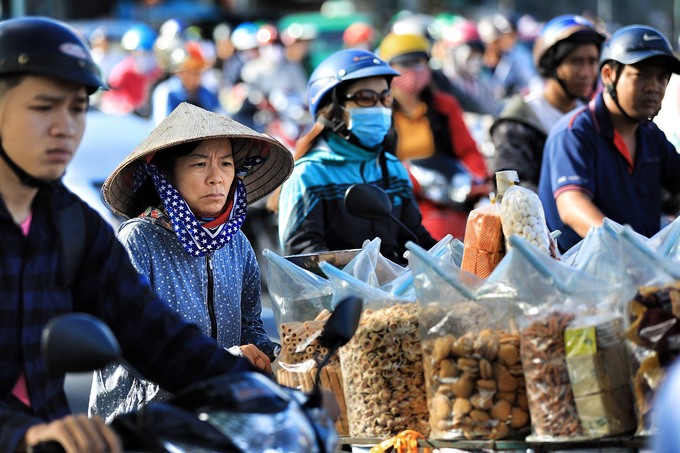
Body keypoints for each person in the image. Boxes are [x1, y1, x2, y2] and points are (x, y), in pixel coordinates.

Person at [0, 16, 261, 453]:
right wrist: (20, 433)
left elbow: (157, 335)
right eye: (44, 106)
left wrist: (266, 392)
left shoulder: (71, 224)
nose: (66, 126)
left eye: (78, 107)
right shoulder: (130, 236)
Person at [89, 102, 293, 422]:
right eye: (200, 164)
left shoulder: (235, 243)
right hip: (142, 420)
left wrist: (284, 358)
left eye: (225, 164)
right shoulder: (137, 242)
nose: (216, 178)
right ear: (167, 175)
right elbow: (134, 348)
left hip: (219, 412)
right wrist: (219, 361)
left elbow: (250, 328)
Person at [270, 48, 437, 264]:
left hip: (397, 295)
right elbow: (305, 258)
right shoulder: (308, 175)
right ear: (334, 109)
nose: (379, 107)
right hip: (338, 296)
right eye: (366, 97)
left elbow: (415, 240)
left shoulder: (393, 168)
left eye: (385, 98)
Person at [538, 24, 680, 252]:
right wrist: (630, 251)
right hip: (583, 277)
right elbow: (572, 205)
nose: (654, 87)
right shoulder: (575, 132)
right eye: (641, 75)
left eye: (662, 77)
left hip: (643, 276)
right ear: (608, 75)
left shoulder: (651, 135)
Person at [376, 32, 490, 240]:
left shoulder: (444, 106)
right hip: (402, 196)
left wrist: (474, 180)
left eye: (419, 62)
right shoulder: (379, 113)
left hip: (449, 196)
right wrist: (410, 180)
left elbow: (468, 151)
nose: (413, 70)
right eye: (404, 63)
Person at [491, 14, 606, 194]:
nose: (586, 73)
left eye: (592, 61)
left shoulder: (593, 117)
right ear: (550, 64)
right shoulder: (519, 120)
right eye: (576, 62)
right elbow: (510, 192)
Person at [151, 40, 223, 125]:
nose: (197, 76)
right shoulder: (166, 92)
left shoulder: (207, 93)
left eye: (199, 71)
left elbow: (221, 120)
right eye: (193, 71)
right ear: (180, 72)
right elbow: (161, 126)